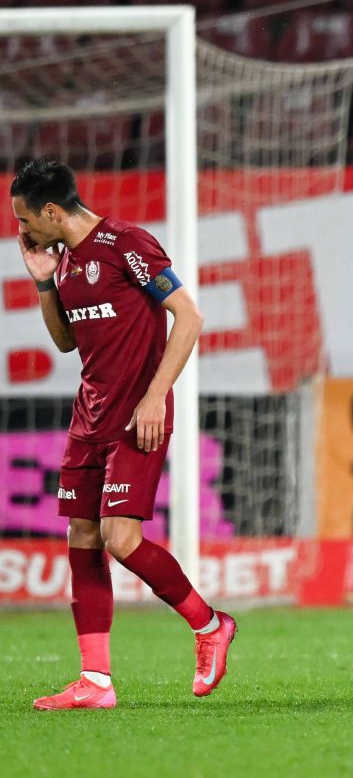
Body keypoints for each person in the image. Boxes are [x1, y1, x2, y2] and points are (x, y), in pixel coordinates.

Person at [13, 157, 235, 710]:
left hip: (139, 415)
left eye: (24, 219)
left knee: (120, 539)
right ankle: (96, 681)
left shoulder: (127, 243)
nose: (21, 231)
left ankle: (209, 625)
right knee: (82, 540)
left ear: (50, 210)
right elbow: (66, 342)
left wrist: (156, 394)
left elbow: (188, 316)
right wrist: (44, 284)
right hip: (87, 417)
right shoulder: (63, 263)